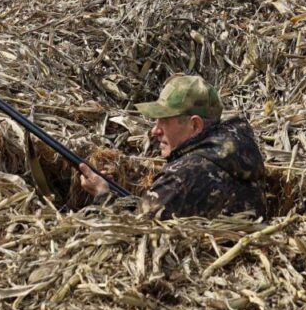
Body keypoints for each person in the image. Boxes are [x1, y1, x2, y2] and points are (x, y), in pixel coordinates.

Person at [78, 74, 266, 220]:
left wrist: (102, 194)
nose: (154, 131)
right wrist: (118, 197)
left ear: (195, 125)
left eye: (164, 121)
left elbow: (134, 231)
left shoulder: (184, 175)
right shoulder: (235, 154)